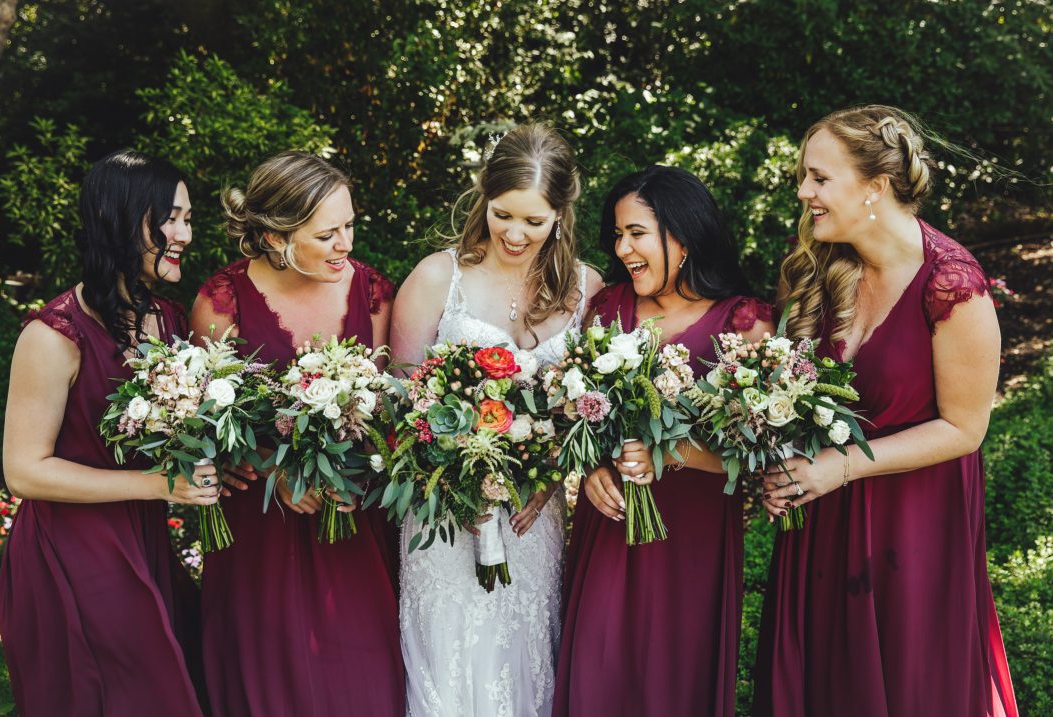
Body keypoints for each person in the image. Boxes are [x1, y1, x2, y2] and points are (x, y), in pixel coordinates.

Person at [753, 105, 1018, 716]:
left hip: (913, 527)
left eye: (819, 178)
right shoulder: (815, 274)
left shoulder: (952, 285)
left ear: (874, 186)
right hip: (821, 521)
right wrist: (780, 465)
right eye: (804, 176)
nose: (804, 192)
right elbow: (790, 398)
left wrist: (837, 466)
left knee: (908, 687)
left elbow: (965, 429)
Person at [390, 123, 603, 716]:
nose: (514, 233)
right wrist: (459, 476)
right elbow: (401, 399)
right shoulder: (438, 278)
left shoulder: (586, 288)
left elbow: (593, 411)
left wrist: (548, 469)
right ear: (483, 197)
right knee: (452, 649)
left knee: (524, 646)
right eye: (502, 213)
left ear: (561, 213)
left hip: (536, 511)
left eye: (534, 221)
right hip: (445, 513)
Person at [552, 165, 773, 716]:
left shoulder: (744, 323)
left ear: (684, 233)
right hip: (610, 527)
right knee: (597, 670)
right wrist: (594, 467)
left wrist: (669, 451)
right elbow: (579, 415)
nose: (622, 248)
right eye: (617, 235)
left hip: (691, 534)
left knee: (676, 679)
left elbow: (761, 451)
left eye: (636, 233)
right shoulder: (606, 311)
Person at [0, 149, 212, 716]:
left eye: (188, 218)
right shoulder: (53, 335)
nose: (184, 233)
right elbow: (23, 470)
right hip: (71, 552)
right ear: (122, 218)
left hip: (142, 538)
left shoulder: (168, 319)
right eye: (169, 217)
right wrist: (161, 484)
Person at [190, 150, 403, 716]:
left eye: (350, 225)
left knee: (365, 673)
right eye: (327, 233)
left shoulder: (374, 293)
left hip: (352, 510)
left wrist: (357, 466)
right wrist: (272, 469)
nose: (345, 245)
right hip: (265, 522)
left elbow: (390, 409)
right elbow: (208, 421)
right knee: (270, 677)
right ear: (275, 236)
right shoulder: (221, 304)